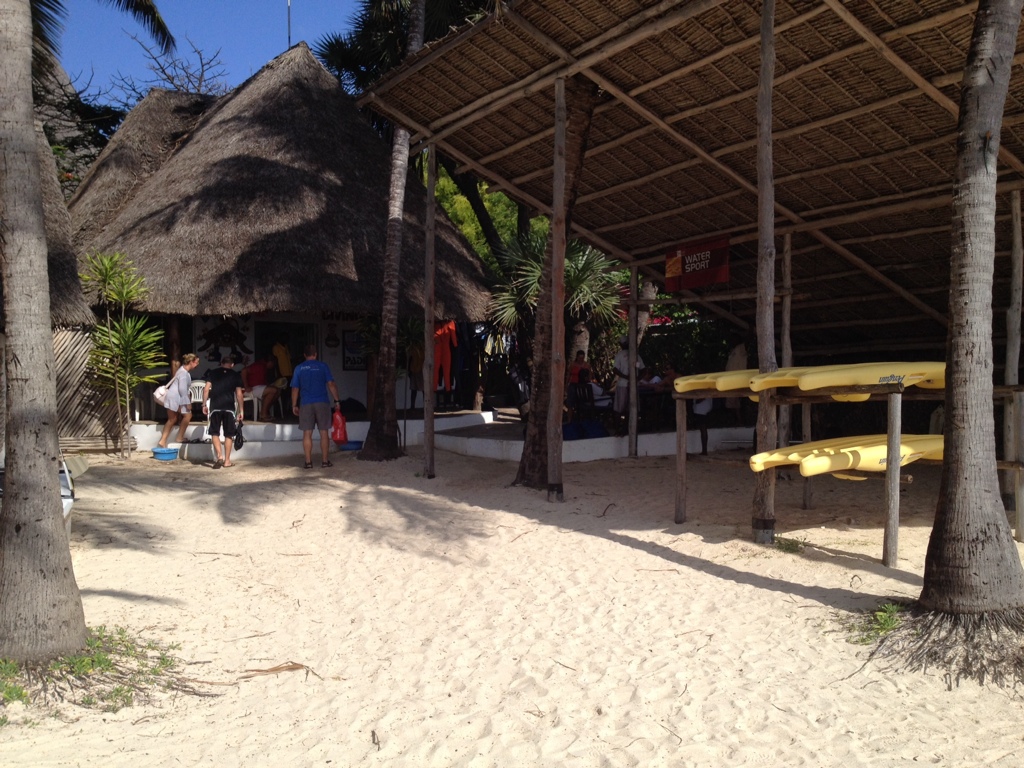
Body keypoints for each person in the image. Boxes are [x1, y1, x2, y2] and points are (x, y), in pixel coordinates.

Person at [291, 344, 341, 469]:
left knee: (307, 433)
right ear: (315, 354)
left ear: (304, 355)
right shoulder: (323, 366)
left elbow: (295, 388)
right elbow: (331, 384)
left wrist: (294, 404)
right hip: (322, 402)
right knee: (324, 432)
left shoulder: (299, 368)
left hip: (306, 403)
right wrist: (336, 400)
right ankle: (325, 461)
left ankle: (308, 462)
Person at [202, 354, 245, 469]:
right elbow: (239, 394)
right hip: (229, 408)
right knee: (229, 434)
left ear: (221, 363)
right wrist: (241, 411)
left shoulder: (213, 373)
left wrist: (204, 404)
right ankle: (227, 461)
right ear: (232, 365)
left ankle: (219, 457)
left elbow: (206, 389)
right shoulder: (236, 375)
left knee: (214, 432)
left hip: (215, 407)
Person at [157, 353, 200, 448]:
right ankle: (179, 437)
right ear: (191, 362)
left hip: (173, 397)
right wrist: (188, 403)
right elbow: (182, 389)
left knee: (172, 419)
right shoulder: (184, 373)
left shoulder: (181, 370)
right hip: (176, 398)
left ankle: (163, 440)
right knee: (188, 415)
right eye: (196, 362)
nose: (197, 365)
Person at [242, 354, 281, 421]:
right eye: (273, 364)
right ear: (270, 362)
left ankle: (264, 411)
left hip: (258, 387)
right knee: (273, 390)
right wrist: (246, 386)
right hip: (251, 388)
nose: (273, 366)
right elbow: (244, 371)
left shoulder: (264, 367)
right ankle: (263, 414)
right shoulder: (259, 365)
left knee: (278, 391)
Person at [613, 336, 645, 415]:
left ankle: (621, 422)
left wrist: (626, 377)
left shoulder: (620, 355)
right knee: (630, 408)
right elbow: (643, 369)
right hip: (630, 384)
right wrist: (636, 379)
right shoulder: (635, 355)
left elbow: (615, 369)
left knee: (619, 408)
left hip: (623, 384)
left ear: (620, 344)